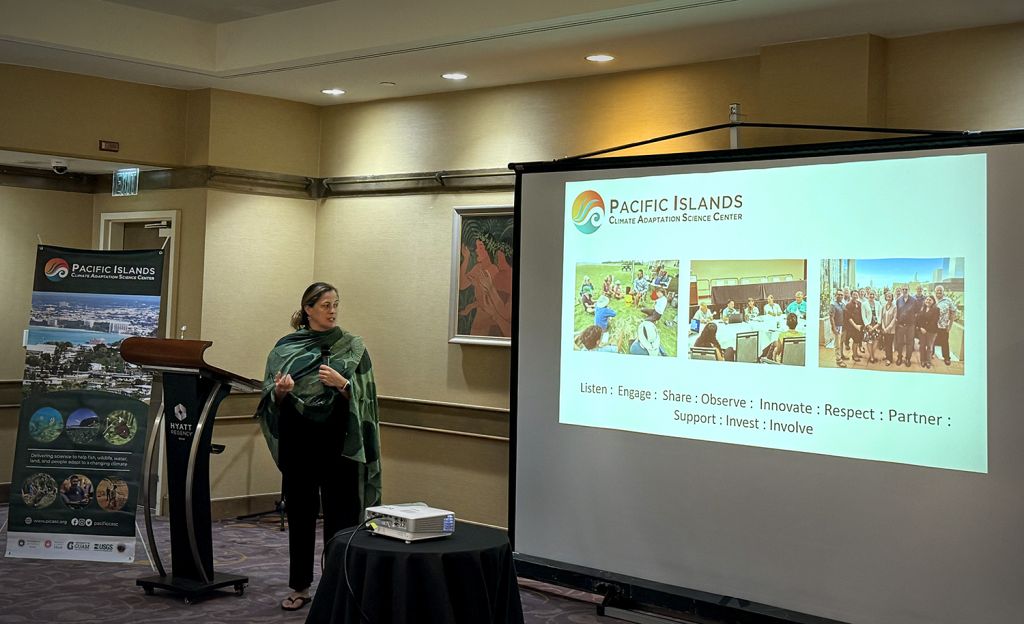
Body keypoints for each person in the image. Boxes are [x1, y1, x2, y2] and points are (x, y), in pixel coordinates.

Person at [257, 282, 382, 612]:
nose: (332, 311)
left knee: (341, 515)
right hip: (300, 442)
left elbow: (367, 396)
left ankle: (337, 584)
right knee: (300, 513)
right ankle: (299, 586)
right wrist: (281, 392)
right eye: (325, 305)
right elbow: (269, 394)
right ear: (308, 309)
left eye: (335, 304)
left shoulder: (351, 346)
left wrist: (343, 385)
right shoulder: (285, 348)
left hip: (339, 441)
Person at [894, 286, 918, 367]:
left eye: (906, 289)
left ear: (909, 290)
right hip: (900, 326)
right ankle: (899, 357)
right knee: (899, 343)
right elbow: (896, 313)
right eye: (903, 289)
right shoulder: (898, 300)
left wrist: (913, 323)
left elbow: (916, 313)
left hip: (910, 326)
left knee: (909, 343)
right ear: (901, 290)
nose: (904, 291)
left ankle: (908, 358)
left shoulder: (914, 300)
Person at [933, 285, 958, 365]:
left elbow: (953, 312)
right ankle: (930, 354)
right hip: (933, 325)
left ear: (943, 292)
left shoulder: (948, 300)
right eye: (937, 290)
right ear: (935, 291)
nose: (939, 292)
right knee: (931, 341)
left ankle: (947, 358)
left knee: (944, 342)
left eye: (941, 290)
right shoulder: (932, 299)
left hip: (944, 326)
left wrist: (950, 325)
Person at [916, 295, 940, 369]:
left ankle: (928, 362)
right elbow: (918, 319)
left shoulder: (936, 309)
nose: (928, 301)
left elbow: (934, 321)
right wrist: (920, 328)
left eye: (930, 300)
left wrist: (925, 329)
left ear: (933, 301)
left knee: (929, 347)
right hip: (922, 331)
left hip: (931, 331)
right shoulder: (922, 308)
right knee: (922, 346)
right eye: (927, 300)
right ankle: (922, 360)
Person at [861, 289, 882, 364]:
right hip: (868, 326)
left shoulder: (878, 303)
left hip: (876, 325)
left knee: (876, 341)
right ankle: (872, 357)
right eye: (870, 294)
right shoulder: (864, 304)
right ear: (868, 295)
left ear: (875, 295)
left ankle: (872, 354)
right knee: (869, 342)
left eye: (873, 294)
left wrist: (878, 324)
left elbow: (880, 314)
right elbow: (863, 316)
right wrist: (868, 325)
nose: (872, 296)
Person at [843, 290, 864, 362]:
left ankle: (856, 353)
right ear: (851, 295)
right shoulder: (848, 305)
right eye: (854, 294)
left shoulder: (860, 303)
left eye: (856, 294)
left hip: (860, 326)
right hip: (853, 327)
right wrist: (855, 326)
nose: (855, 296)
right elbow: (848, 318)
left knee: (858, 341)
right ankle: (854, 355)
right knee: (855, 341)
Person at [880, 291, 897, 366]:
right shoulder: (883, 306)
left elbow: (894, 318)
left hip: (890, 329)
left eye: (890, 296)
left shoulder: (894, 307)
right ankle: (887, 355)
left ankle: (889, 359)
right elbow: (882, 318)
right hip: (884, 328)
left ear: (892, 298)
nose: (888, 298)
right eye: (887, 296)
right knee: (885, 343)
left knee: (889, 344)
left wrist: (888, 328)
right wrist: (883, 327)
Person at [830, 291, 846, 367]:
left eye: (841, 295)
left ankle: (842, 355)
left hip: (843, 326)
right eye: (838, 294)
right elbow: (831, 317)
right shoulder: (833, 305)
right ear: (835, 295)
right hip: (837, 327)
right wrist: (834, 328)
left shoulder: (842, 304)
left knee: (841, 342)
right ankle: (838, 360)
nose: (840, 296)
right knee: (837, 345)